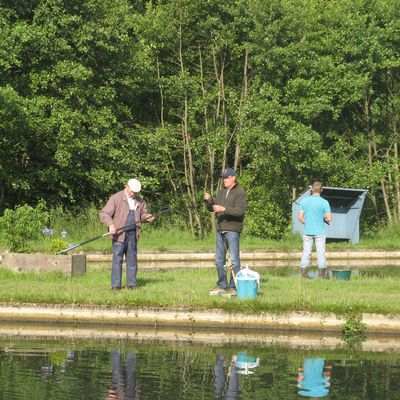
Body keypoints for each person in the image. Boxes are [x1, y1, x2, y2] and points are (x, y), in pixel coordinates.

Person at [100, 179, 155, 290]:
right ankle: (116, 286)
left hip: (133, 235)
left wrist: (147, 217)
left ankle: (132, 284)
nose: (134, 193)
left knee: (132, 260)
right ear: (127, 187)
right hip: (119, 235)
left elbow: (142, 215)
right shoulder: (116, 198)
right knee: (117, 260)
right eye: (132, 191)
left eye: (136, 192)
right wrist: (111, 225)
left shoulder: (140, 201)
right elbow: (104, 213)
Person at [204, 167, 247, 295]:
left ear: (233, 178)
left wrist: (224, 208)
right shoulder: (221, 192)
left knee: (234, 260)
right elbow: (213, 209)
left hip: (233, 229)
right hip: (220, 229)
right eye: (223, 178)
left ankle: (234, 286)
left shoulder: (240, 192)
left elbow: (239, 211)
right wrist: (209, 201)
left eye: (226, 178)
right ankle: (222, 285)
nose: (224, 180)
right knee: (219, 260)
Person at [298, 181, 332, 279]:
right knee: (320, 253)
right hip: (320, 232)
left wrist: (307, 223)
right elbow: (329, 219)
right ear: (321, 190)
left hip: (307, 231)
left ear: (311, 189)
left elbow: (300, 217)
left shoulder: (304, 201)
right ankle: (321, 275)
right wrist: (324, 218)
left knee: (306, 252)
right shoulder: (324, 202)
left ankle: (304, 275)